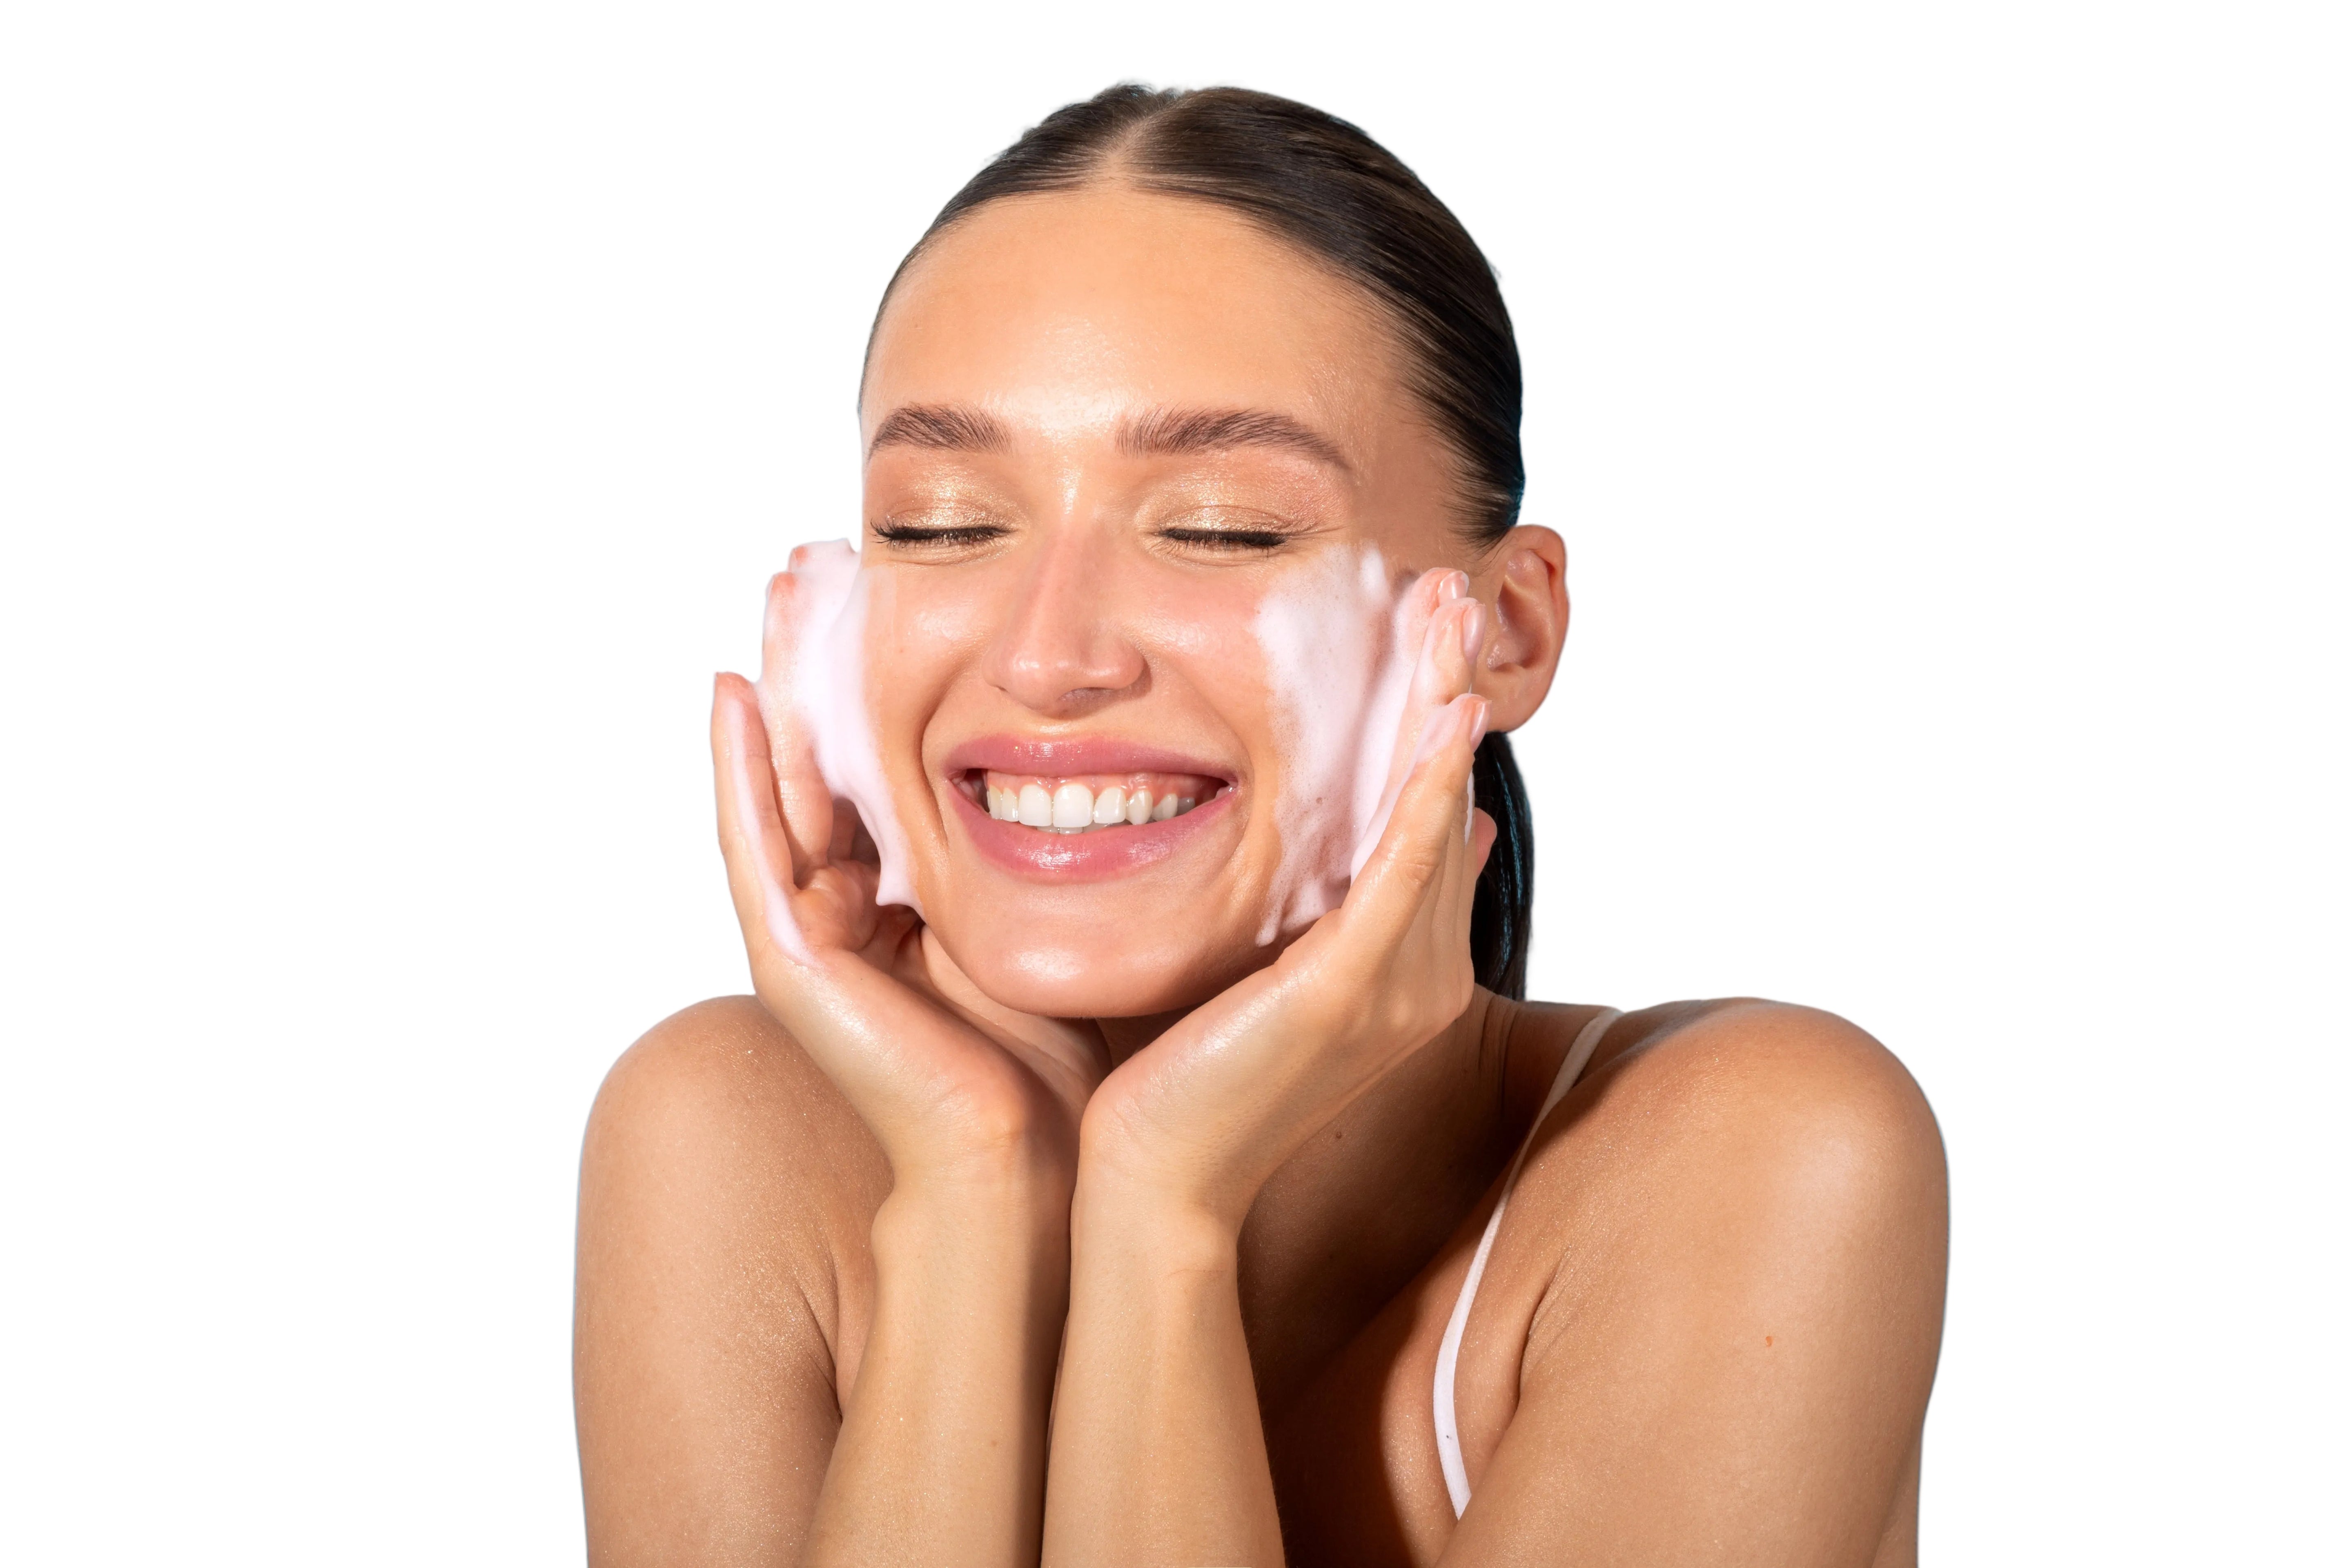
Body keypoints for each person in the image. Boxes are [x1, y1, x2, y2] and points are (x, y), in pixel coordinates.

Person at [572, 84, 1948, 1568]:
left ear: (1508, 630)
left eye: (1223, 524)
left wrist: (1163, 1212)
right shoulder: (732, 1135)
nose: (1048, 657)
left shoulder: (1755, 1153)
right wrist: (972, 1188)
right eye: (944, 523)